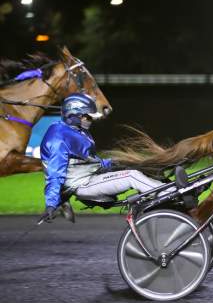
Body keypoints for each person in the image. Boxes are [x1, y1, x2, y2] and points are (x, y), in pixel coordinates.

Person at [39, 93, 182, 223]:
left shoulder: (76, 131)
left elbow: (89, 161)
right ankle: (173, 194)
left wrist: (113, 163)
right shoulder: (57, 140)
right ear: (74, 115)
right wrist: (51, 204)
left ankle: (170, 187)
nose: (91, 120)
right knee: (131, 176)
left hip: (91, 176)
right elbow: (54, 175)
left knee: (137, 166)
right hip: (83, 185)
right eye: (87, 116)